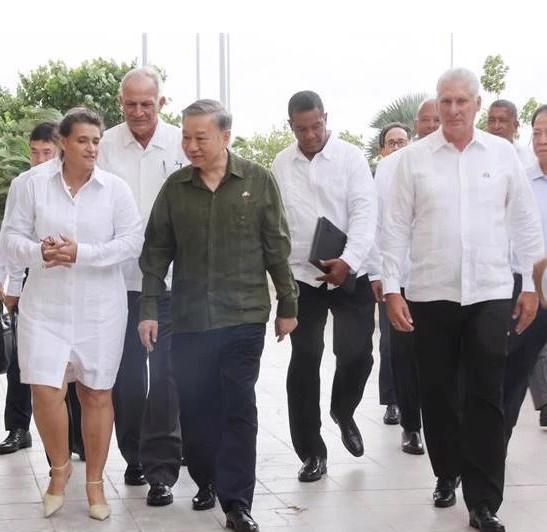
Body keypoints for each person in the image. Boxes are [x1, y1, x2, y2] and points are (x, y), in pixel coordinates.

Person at [383, 68, 543, 532]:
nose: (453, 109)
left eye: (461, 102)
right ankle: (446, 471)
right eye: (445, 101)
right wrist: (392, 288)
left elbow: (525, 222)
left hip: (491, 292)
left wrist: (531, 286)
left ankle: (484, 501)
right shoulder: (414, 160)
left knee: (484, 395)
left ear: (476, 105)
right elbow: (394, 227)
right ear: (437, 104)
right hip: (431, 294)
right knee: (436, 390)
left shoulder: (502, 155)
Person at [138, 98, 298, 532]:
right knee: (195, 409)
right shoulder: (175, 189)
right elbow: (155, 253)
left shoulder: (258, 181)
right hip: (189, 319)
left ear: (225, 136)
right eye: (186, 136)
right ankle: (205, 477)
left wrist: (288, 303)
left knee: (238, 407)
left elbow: (276, 247)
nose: (190, 145)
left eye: (200, 137)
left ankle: (237, 503)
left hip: (244, 316)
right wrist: (149, 309)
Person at [2, 107, 143, 520]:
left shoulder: (114, 189)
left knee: (96, 394)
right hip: (45, 306)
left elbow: (132, 241)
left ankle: (96, 482)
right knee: (45, 390)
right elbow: (10, 238)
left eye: (96, 141)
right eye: (82, 140)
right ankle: (59, 471)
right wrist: (39, 253)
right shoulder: (29, 185)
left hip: (101, 309)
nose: (92, 148)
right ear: (62, 142)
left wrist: (82, 253)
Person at [272, 90, 377, 482]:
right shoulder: (281, 163)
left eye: (316, 125)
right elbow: (278, 222)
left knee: (358, 354)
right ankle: (311, 452)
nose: (311, 135)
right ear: (291, 126)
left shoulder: (351, 158)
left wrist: (347, 262)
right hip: (303, 276)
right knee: (305, 359)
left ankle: (344, 408)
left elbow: (366, 215)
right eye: (302, 129)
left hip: (351, 271)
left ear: (326, 117)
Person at [97, 66, 185, 507]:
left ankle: (162, 470)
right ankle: (134, 455)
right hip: (120, 283)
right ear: (120, 103)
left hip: (171, 283)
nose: (138, 112)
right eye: (129, 104)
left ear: (161, 103)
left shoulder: (181, 142)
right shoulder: (105, 146)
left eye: (146, 104)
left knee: (167, 378)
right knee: (128, 381)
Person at [0, 122, 84, 460]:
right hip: (29, 289)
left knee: (71, 368)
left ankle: (77, 437)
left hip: (69, 292)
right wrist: (12, 289)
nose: (38, 158)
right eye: (33, 152)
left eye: (45, 152)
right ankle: (18, 428)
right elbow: (13, 243)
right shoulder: (25, 186)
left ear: (60, 149)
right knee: (24, 364)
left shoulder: (74, 187)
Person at [374, 98, 440, 455]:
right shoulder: (393, 166)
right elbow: (380, 222)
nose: (431, 126)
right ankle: (411, 426)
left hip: (447, 283)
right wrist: (381, 275)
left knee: (441, 360)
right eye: (425, 121)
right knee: (402, 355)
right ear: (417, 126)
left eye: (437, 120)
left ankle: (441, 426)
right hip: (403, 279)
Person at [505, 104, 547, 439]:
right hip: (529, 294)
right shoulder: (520, 180)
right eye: (537, 133)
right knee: (511, 378)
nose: (542, 140)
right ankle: (490, 453)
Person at [376, 121, 411, 426]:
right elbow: (374, 228)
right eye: (392, 143)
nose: (398, 147)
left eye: (403, 142)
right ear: (383, 150)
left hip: (424, 277)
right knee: (390, 342)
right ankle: (393, 400)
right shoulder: (380, 178)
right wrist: (378, 273)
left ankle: (415, 399)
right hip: (391, 275)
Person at [487, 99, 535, 166]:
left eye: (502, 121)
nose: (496, 126)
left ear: (515, 126)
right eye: (492, 120)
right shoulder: (476, 153)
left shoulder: (529, 159)